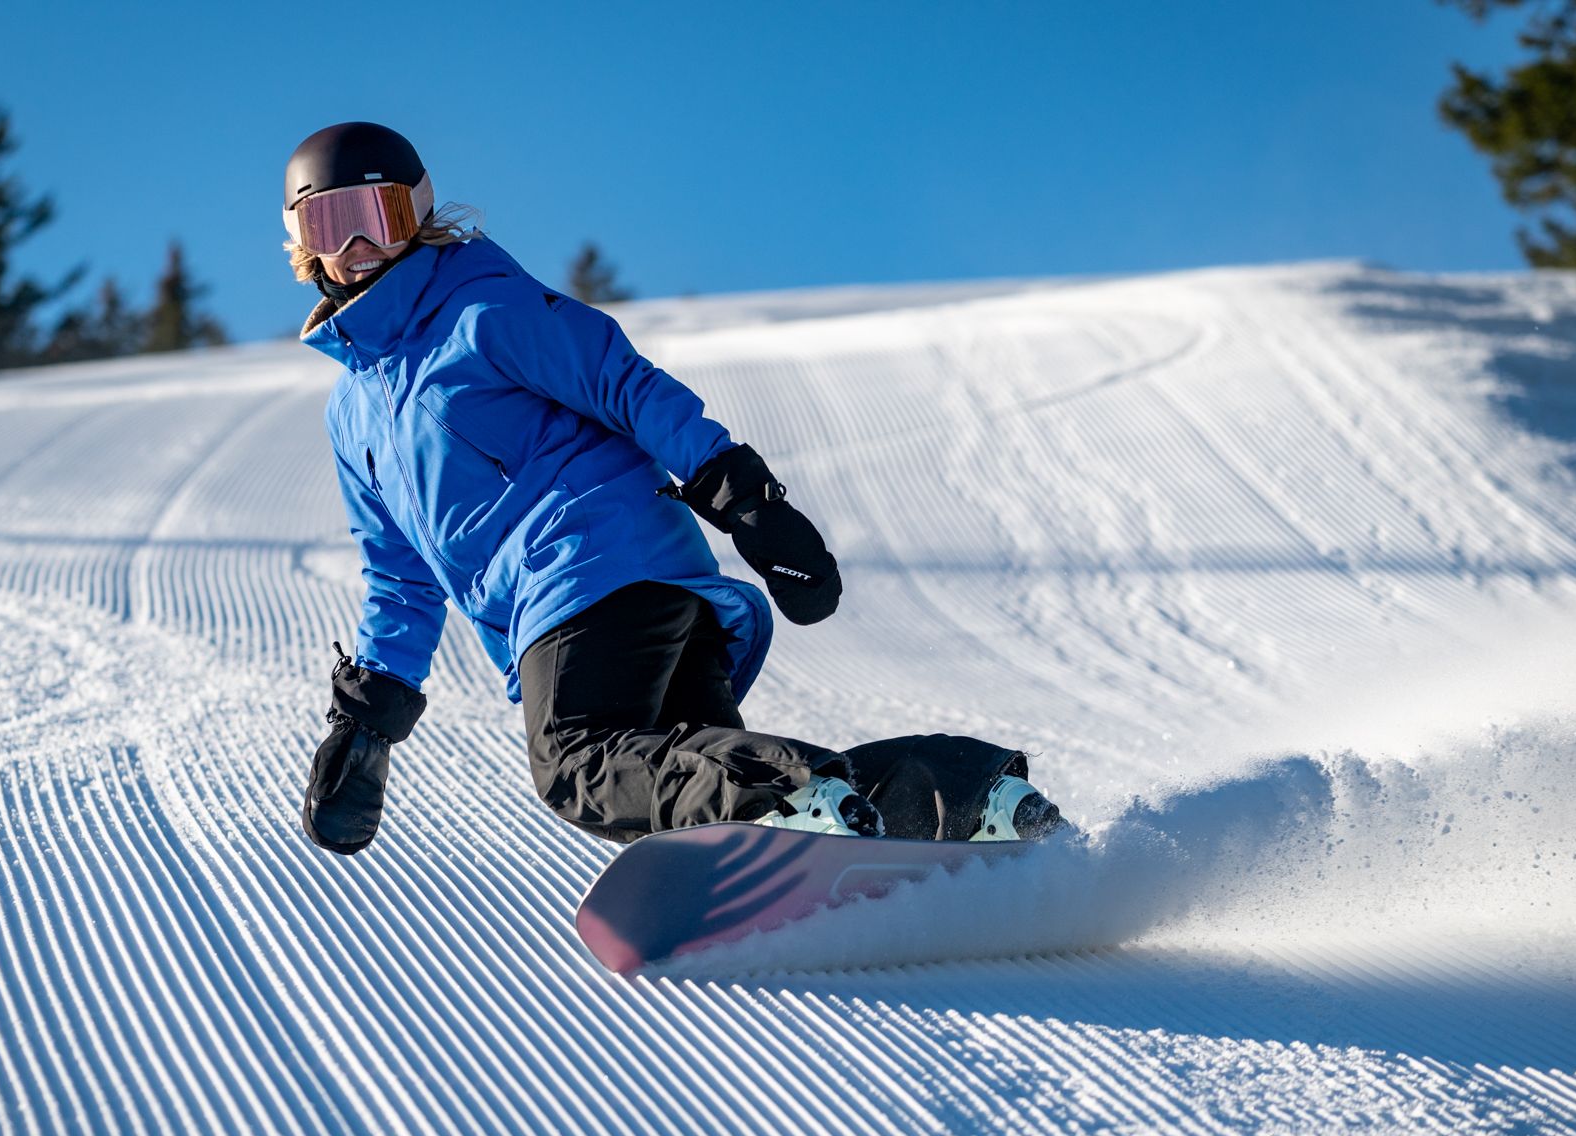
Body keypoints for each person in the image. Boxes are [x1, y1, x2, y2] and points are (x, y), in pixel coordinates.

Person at [287, 121, 1063, 854]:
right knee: (696, 793)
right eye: (331, 226)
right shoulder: (351, 414)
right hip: (637, 597)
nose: (356, 247)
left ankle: (794, 803)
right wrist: (366, 724)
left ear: (416, 214)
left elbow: (623, 383)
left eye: (375, 217)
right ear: (301, 245)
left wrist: (746, 501)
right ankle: (967, 798)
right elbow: (400, 577)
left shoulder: (481, 307)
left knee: (577, 763)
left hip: (586, 577)